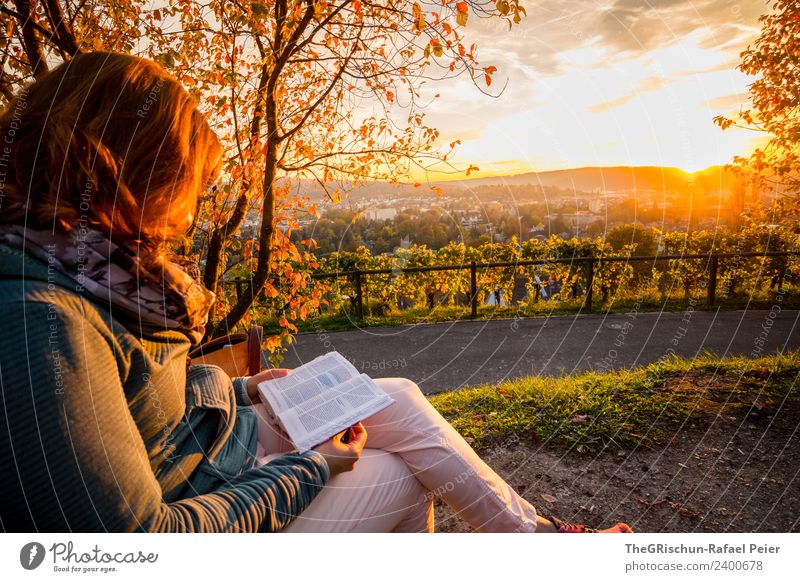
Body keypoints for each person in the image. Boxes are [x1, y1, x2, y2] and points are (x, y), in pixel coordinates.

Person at [0, 52, 632, 533]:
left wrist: (242, 388)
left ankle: (541, 545)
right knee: (401, 477)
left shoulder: (79, 264)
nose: (187, 209)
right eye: (181, 183)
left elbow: (136, 392)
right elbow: (140, 545)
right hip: (202, 494)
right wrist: (310, 468)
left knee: (400, 398)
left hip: (214, 443)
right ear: (132, 173)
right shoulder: (39, 322)